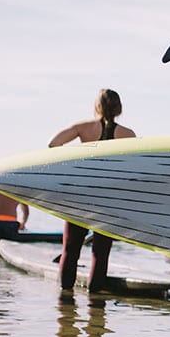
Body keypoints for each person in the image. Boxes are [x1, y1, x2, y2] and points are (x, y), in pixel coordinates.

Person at [48, 89, 137, 292]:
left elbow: (54, 144)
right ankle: (95, 308)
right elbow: (133, 167)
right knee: (100, 254)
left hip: (79, 196)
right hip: (107, 198)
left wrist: (74, 164)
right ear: (119, 108)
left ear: (97, 106)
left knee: (70, 251)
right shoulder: (127, 135)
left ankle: (65, 306)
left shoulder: (83, 128)